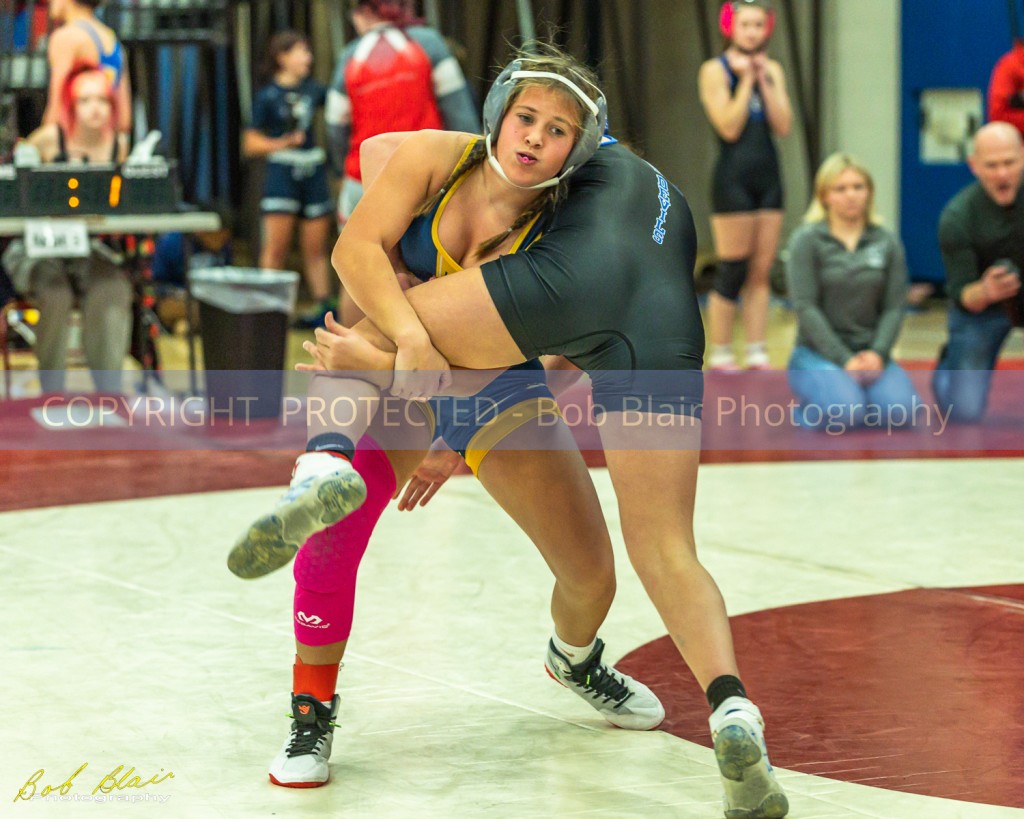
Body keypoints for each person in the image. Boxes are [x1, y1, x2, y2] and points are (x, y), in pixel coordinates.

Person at [232, 47, 790, 818]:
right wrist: (405, 340)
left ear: (577, 154)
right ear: (497, 115)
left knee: (592, 573)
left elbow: (565, 353)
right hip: (395, 362)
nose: (534, 137)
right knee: (338, 490)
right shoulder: (428, 156)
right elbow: (356, 245)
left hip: (490, 382)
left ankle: (575, 661)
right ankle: (310, 702)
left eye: (557, 131)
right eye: (526, 118)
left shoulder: (563, 232)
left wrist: (446, 425)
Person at [2, 67, 130, 394]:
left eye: (102, 100)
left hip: (85, 247)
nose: (95, 108)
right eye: (85, 100)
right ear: (70, 105)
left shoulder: (118, 145)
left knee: (113, 287)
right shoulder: (48, 139)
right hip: (35, 247)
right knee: (55, 293)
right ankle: (52, 391)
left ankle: (109, 392)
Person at [785, 153, 919, 431]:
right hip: (817, 353)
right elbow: (806, 307)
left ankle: (860, 397)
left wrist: (878, 354)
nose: (851, 195)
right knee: (845, 412)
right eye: (840, 188)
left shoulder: (886, 241)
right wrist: (844, 360)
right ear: (824, 196)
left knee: (901, 412)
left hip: (870, 352)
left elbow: (894, 307)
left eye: (858, 187)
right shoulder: (806, 241)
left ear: (869, 192)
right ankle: (811, 407)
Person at [324, 0, 477, 245]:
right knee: (423, 262)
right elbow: (460, 114)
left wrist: (341, 168)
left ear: (366, 11)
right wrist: (474, 166)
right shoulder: (429, 42)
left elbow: (334, 126)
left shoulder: (349, 56)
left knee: (357, 260)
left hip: (363, 179)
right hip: (426, 179)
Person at [698, 0, 792, 371]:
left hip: (769, 177)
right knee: (733, 268)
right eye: (745, 25)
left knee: (760, 270)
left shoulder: (773, 69)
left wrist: (764, 79)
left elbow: (783, 125)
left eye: (758, 25)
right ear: (730, 28)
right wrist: (747, 80)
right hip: (732, 178)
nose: (752, 32)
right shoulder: (714, 70)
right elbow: (729, 126)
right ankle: (721, 350)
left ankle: (756, 348)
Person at [932, 122, 1024, 422]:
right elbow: (964, 296)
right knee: (964, 411)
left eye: (1009, 163)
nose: (1002, 174)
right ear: (974, 165)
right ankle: (949, 368)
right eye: (992, 165)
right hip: (984, 309)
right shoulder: (957, 217)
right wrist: (985, 291)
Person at [243, 31, 334, 328]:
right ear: (282, 57)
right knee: (276, 248)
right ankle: (267, 312)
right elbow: (250, 143)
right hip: (282, 172)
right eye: (300, 52)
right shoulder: (267, 96)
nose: (308, 58)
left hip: (313, 170)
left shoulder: (314, 90)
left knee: (316, 248)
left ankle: (324, 310)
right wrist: (282, 143)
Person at [42, 0, 131, 148]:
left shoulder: (67, 37)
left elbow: (57, 110)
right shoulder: (112, 40)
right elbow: (124, 119)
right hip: (105, 147)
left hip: (72, 148)